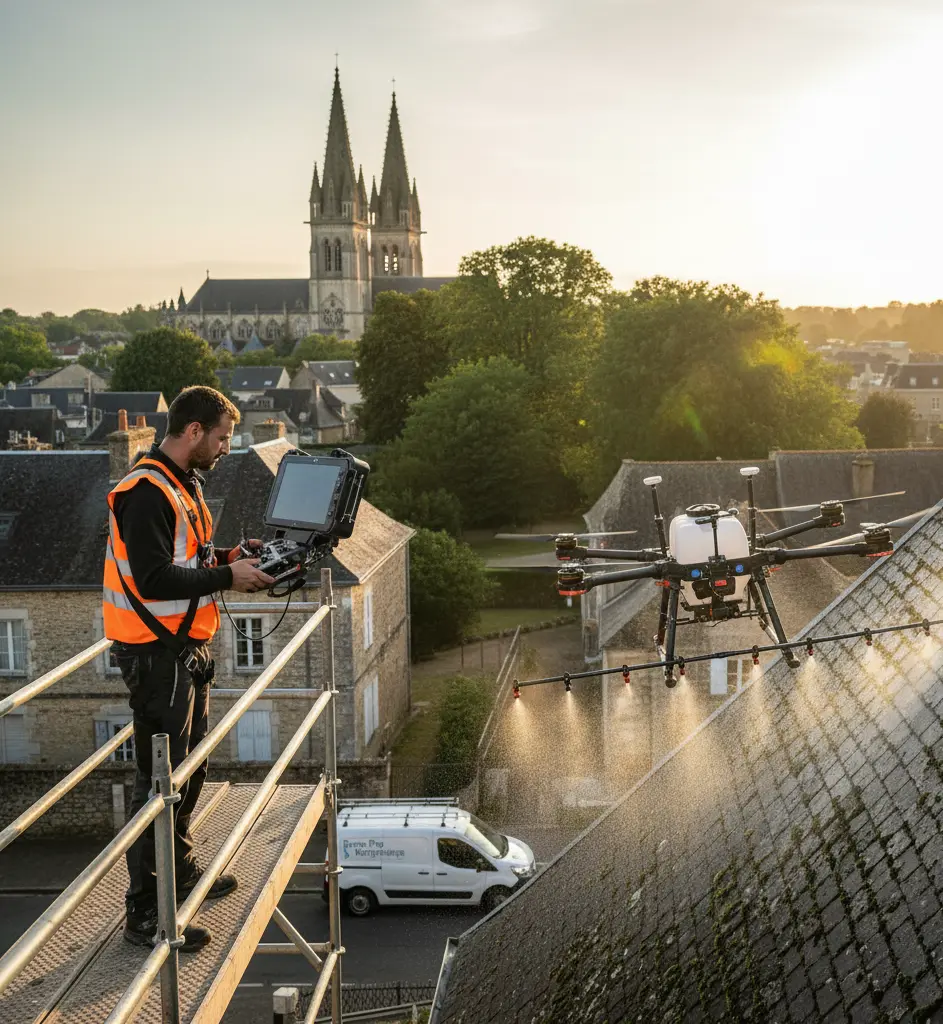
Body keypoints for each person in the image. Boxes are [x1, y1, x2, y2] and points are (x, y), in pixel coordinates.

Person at [103, 385, 275, 951]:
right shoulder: (147, 491)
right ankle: (146, 914)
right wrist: (230, 579)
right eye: (222, 437)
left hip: (181, 650)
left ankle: (181, 872)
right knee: (158, 785)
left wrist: (227, 557)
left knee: (188, 770)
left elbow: (185, 557)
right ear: (194, 431)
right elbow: (153, 578)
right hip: (155, 655)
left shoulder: (182, 483)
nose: (228, 448)